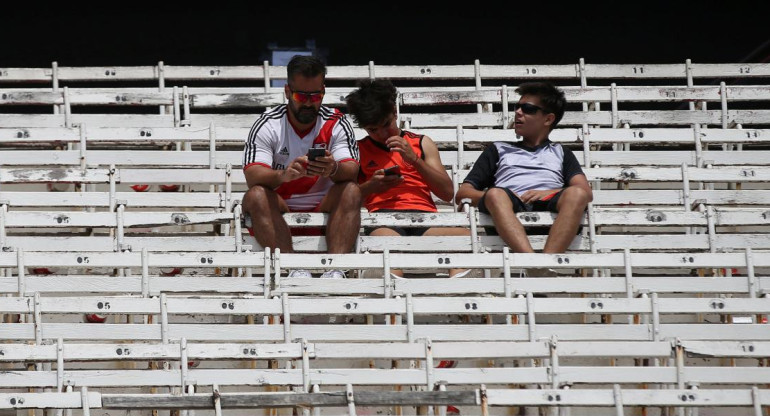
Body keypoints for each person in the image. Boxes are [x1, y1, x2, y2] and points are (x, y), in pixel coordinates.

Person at [242, 55, 361, 279]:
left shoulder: (336, 121)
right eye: (301, 96)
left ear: (323, 92)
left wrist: (332, 168)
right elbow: (252, 175)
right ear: (287, 92)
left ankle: (335, 271)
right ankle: (292, 269)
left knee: (351, 189)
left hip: (325, 206)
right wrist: (285, 175)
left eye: (316, 96)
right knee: (255, 195)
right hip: (279, 207)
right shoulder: (269, 123)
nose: (308, 102)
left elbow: (352, 169)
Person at [455, 82, 592, 263]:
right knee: (495, 193)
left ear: (548, 119)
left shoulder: (561, 152)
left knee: (576, 194)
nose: (518, 112)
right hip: (508, 209)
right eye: (517, 107)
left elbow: (585, 192)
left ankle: (545, 262)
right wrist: (497, 198)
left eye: (528, 109)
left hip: (550, 207)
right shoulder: (498, 149)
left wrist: (549, 192)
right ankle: (534, 264)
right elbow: (463, 193)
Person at [346, 79, 470, 278]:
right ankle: (390, 307)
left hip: (426, 219)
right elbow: (348, 201)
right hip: (383, 219)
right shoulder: (359, 150)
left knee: (467, 239)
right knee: (385, 254)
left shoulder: (421, 143)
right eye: (373, 130)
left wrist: (414, 160)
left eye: (386, 124)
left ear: (395, 112)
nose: (382, 134)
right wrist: (372, 186)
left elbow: (447, 193)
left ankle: (465, 303)